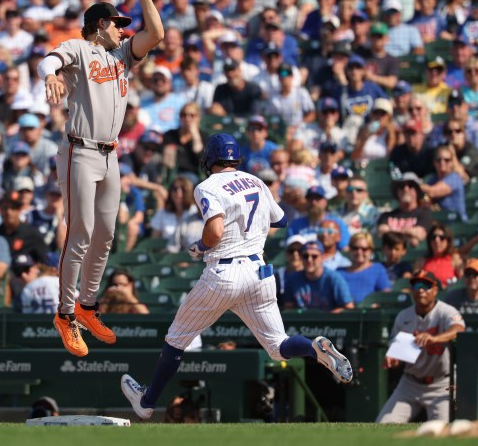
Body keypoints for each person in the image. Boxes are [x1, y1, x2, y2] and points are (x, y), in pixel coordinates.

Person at [120, 133, 353, 420]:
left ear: (209, 159)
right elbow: (281, 219)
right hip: (260, 272)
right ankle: (313, 348)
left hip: (225, 271)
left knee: (176, 338)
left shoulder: (207, 185)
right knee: (279, 347)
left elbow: (215, 231)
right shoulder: (256, 181)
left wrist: (201, 246)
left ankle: (147, 401)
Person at [37, 0, 164, 357]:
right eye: (116, 22)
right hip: (79, 149)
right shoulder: (80, 47)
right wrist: (50, 75)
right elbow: (49, 59)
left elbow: (155, 33)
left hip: (110, 155)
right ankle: (64, 315)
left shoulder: (122, 54)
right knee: (81, 233)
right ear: (99, 25)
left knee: (106, 234)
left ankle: (87, 307)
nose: (123, 28)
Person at [376, 271, 466, 424]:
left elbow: (459, 329)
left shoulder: (445, 311)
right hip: (410, 384)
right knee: (383, 424)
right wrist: (392, 360)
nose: (421, 290)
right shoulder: (403, 317)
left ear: (436, 290)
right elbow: (396, 356)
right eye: (416, 285)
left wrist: (434, 338)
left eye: (426, 285)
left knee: (441, 428)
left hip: (441, 383)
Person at [282, 239, 354, 312]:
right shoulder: (293, 279)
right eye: (305, 256)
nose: (309, 260)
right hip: (302, 322)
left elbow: (348, 307)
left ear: (322, 257)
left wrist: (330, 316)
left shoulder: (334, 278)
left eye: (314, 256)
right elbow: (288, 309)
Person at [376, 173, 432, 248]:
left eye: (410, 186)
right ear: (397, 192)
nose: (406, 189)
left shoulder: (424, 214)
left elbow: (420, 234)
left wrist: (390, 231)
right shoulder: (386, 216)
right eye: (402, 186)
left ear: (417, 191)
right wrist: (410, 232)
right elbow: (381, 232)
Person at [338, 232, 391, 305]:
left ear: (370, 251)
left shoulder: (377, 269)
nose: (359, 252)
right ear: (350, 250)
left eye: (364, 249)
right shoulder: (339, 272)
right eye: (355, 248)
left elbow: (385, 296)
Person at [419, 145, 467, 221]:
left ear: (451, 163)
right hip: (440, 223)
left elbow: (433, 192)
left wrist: (415, 184)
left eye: (446, 160)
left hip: (456, 222)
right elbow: (425, 196)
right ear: (434, 162)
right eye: (438, 160)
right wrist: (426, 201)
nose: (442, 162)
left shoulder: (455, 177)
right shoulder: (432, 179)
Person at [420, 223, 462, 288]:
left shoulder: (454, 259)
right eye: (433, 237)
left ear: (448, 241)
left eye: (441, 237)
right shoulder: (422, 261)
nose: (437, 240)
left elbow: (463, 282)